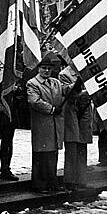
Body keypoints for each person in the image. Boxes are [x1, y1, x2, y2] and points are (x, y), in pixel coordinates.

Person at [27, 54, 73, 194]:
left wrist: (74, 86)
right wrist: (52, 109)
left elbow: (65, 91)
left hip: (55, 124)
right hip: (42, 124)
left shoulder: (55, 82)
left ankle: (51, 182)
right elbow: (34, 101)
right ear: (39, 69)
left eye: (49, 68)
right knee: (41, 154)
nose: (46, 71)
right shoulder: (33, 83)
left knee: (53, 154)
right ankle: (39, 184)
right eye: (44, 68)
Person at [59, 65, 92, 191]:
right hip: (72, 111)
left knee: (82, 147)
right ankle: (70, 180)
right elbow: (65, 93)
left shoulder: (87, 71)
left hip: (85, 112)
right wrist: (75, 86)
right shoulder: (64, 74)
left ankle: (81, 179)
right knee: (72, 147)